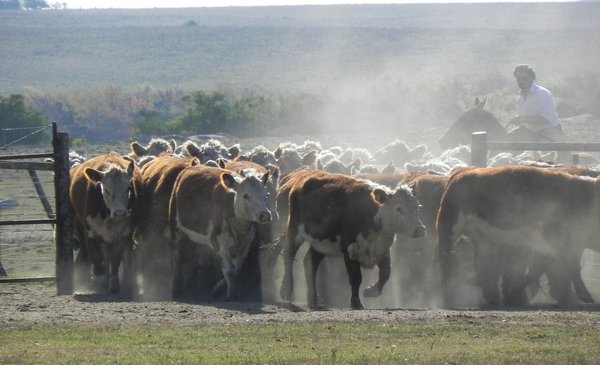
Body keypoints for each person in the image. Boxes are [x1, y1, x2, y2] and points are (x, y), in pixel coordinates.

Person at [508, 64, 567, 143]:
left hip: (550, 133)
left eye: (524, 78)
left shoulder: (543, 93)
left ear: (532, 78)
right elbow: (525, 124)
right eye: (518, 79)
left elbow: (546, 118)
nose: (521, 81)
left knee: (545, 153)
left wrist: (521, 119)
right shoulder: (520, 99)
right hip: (531, 134)